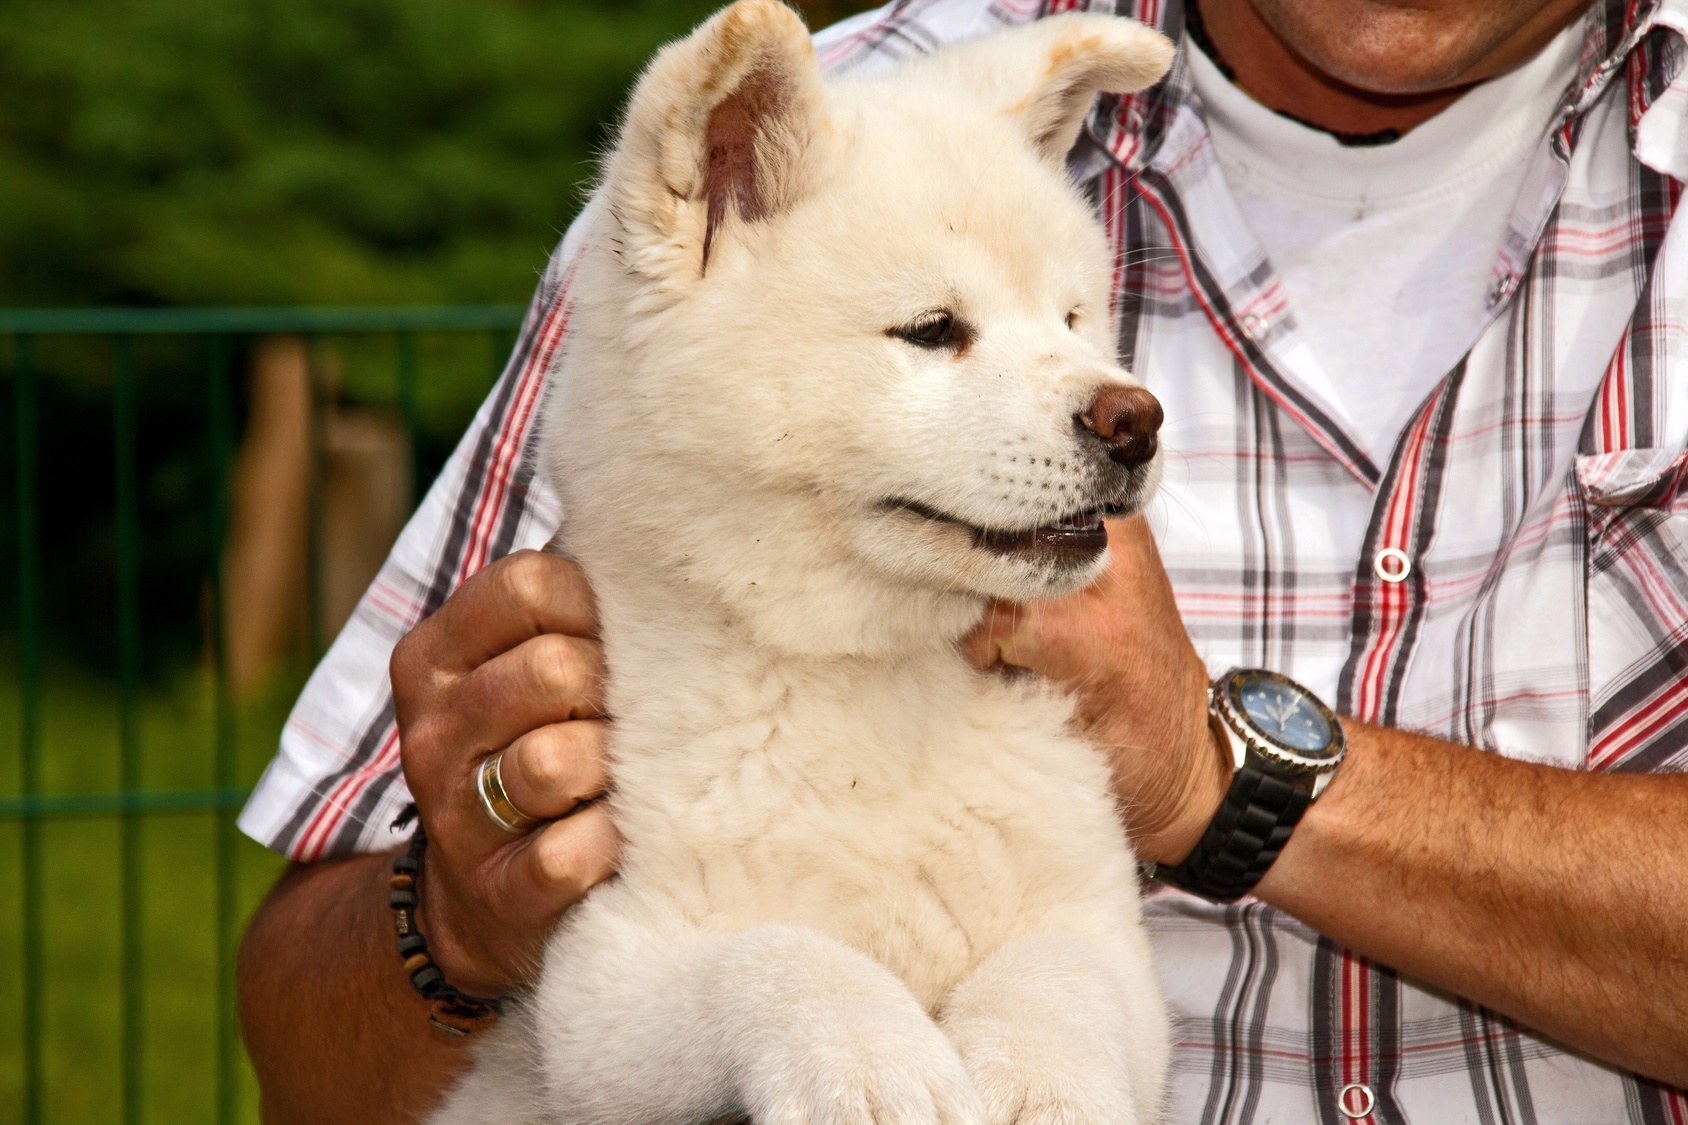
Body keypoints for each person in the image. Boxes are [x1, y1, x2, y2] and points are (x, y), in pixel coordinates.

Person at [235, 0, 1688, 1121]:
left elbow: (1063, 948)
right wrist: (458, 922)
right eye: (938, 337)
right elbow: (309, 1023)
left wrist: (1210, 775)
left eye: (1075, 322)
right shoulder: (829, 133)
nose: (1101, 404)